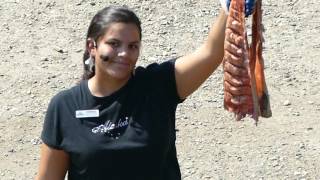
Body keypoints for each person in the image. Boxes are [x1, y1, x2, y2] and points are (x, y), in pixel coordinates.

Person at [36, 1, 256, 179]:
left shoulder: (158, 86)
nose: (124, 53)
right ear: (92, 47)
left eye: (133, 46)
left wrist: (230, 9)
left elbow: (210, 53)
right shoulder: (65, 106)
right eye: (114, 44)